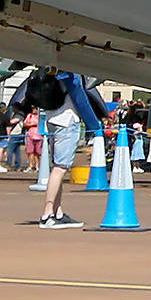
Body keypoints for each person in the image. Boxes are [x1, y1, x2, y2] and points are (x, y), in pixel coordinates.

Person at [24, 67, 89, 227]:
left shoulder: (51, 70)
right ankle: (48, 213)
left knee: (58, 167)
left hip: (52, 118)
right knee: (60, 168)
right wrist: (93, 121)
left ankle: (57, 211)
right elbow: (80, 98)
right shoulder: (72, 73)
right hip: (67, 120)